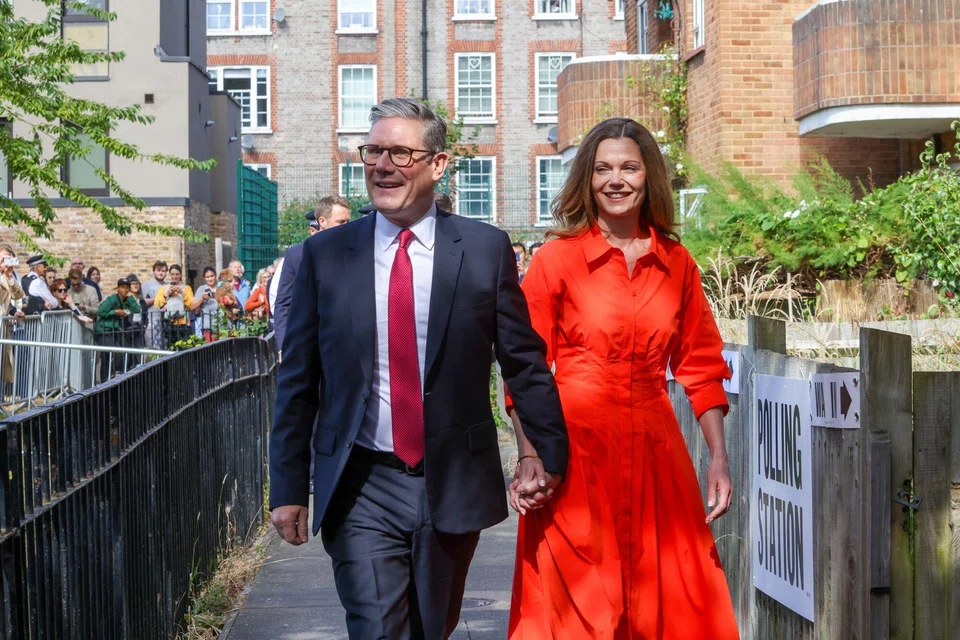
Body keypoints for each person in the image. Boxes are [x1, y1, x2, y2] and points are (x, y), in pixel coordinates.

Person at [270, 97, 568, 639]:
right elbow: (298, 381)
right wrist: (288, 486)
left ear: (438, 164)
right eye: (373, 152)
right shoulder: (326, 255)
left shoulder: (483, 249)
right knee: (379, 627)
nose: (382, 165)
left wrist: (543, 454)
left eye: (400, 153)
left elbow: (522, 361)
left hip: (453, 476)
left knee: (432, 626)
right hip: (361, 480)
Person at [504, 117, 738, 639]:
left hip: (657, 451)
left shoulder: (677, 263)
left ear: (647, 175)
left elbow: (700, 364)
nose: (616, 179)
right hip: (576, 451)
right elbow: (525, 371)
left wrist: (719, 458)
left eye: (629, 167)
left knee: (673, 600)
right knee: (579, 607)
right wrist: (530, 457)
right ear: (586, 179)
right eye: (603, 168)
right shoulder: (555, 260)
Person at [273, 196, 351, 356]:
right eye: (341, 222)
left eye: (348, 222)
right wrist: (283, 346)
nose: (347, 227)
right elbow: (283, 303)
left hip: (345, 346)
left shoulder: (355, 251)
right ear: (322, 221)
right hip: (308, 346)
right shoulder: (296, 255)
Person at [94, 279, 141, 382]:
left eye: (127, 287)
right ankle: (107, 378)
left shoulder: (127, 300)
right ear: (118, 288)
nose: (125, 290)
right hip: (103, 331)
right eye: (122, 287)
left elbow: (137, 309)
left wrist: (130, 300)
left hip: (114, 331)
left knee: (123, 350)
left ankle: (114, 375)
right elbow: (101, 312)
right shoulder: (112, 299)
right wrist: (115, 312)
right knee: (111, 354)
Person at [0, 244, 25, 390]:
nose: (5, 262)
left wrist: (9, 276)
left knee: (3, 366)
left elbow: (19, 295)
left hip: (3, 326)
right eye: (3, 258)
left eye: (9, 259)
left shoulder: (6, 277)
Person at [154, 264, 194, 344]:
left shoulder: (187, 288)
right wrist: (166, 295)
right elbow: (157, 305)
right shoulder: (164, 288)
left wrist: (182, 293)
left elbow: (191, 305)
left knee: (185, 349)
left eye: (177, 274)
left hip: (184, 323)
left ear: (180, 275)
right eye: (172, 274)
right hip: (169, 324)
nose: (174, 277)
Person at [141, 261, 168, 348]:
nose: (161, 273)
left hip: (166, 324)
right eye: (158, 270)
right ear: (153, 272)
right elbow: (142, 303)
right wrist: (157, 299)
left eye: (163, 271)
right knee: (152, 349)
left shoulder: (168, 285)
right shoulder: (147, 285)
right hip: (151, 323)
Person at [192, 267, 220, 341]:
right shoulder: (202, 289)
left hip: (222, 326)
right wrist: (202, 298)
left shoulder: (221, 287)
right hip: (208, 326)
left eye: (212, 276)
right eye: (207, 277)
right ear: (204, 278)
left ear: (216, 276)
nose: (210, 279)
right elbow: (192, 306)